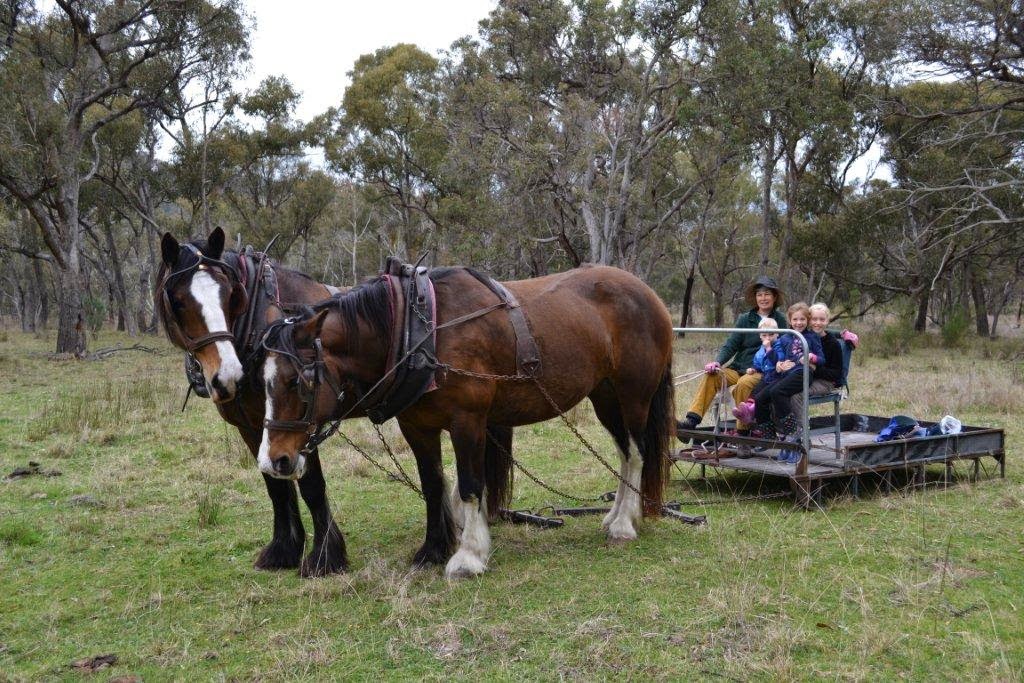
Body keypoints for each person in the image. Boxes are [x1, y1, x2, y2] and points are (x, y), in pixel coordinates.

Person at [677, 275, 787, 436]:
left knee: (744, 383)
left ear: (774, 297)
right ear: (755, 297)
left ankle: (743, 433)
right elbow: (731, 344)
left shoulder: (780, 320)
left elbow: (783, 346)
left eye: (767, 294)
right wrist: (717, 362)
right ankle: (691, 423)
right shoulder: (745, 319)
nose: (763, 298)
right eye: (759, 294)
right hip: (739, 367)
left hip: (761, 370)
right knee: (712, 376)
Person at [750, 301, 825, 449]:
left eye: (802, 319)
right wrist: (778, 363)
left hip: (802, 374)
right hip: (786, 374)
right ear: (790, 320)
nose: (799, 323)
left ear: (807, 320)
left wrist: (811, 357)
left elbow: (822, 359)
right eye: (795, 319)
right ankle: (769, 437)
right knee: (759, 398)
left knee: (777, 392)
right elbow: (780, 359)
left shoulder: (811, 337)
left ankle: (792, 434)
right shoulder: (785, 338)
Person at [788, 302, 859, 420]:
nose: (818, 323)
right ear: (808, 320)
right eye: (814, 319)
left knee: (796, 395)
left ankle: (801, 432)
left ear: (827, 321)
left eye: (822, 319)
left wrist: (816, 369)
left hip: (825, 381)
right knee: (781, 389)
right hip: (803, 377)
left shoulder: (832, 343)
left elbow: (836, 374)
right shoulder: (802, 338)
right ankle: (783, 429)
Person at [731, 318, 781, 425]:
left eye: (771, 334)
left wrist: (769, 349)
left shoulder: (778, 346)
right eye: (764, 335)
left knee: (759, 394)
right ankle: (746, 411)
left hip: (776, 376)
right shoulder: (761, 348)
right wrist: (754, 368)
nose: (768, 338)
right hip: (766, 376)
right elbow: (758, 362)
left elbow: (777, 360)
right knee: (755, 391)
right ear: (760, 336)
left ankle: (751, 413)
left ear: (777, 334)